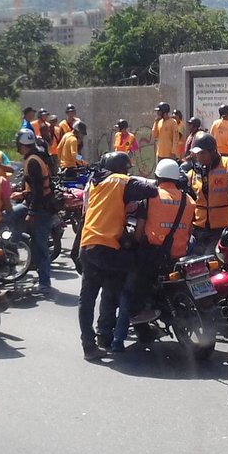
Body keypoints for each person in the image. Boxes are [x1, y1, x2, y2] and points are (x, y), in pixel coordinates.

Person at [77, 151, 158, 360]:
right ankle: (139, 316)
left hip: (87, 245)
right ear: (122, 169)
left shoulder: (95, 183)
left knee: (88, 298)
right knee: (137, 270)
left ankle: (90, 344)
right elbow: (150, 190)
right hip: (106, 248)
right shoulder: (120, 181)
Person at [111, 158, 194, 352]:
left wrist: (134, 243)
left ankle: (117, 340)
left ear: (157, 176)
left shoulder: (150, 197)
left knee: (127, 291)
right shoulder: (188, 199)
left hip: (153, 256)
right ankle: (145, 330)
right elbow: (190, 230)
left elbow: (139, 232)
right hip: (179, 255)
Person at [12, 129, 56, 294]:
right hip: (37, 205)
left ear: (21, 145)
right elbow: (34, 187)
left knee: (40, 247)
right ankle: (13, 251)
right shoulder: (36, 158)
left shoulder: (33, 162)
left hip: (40, 209)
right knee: (9, 217)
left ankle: (45, 283)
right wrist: (21, 192)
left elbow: (38, 191)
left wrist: (31, 212)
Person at [186, 131, 228, 253]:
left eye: (203, 153)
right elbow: (188, 200)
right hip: (198, 229)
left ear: (213, 151)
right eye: (197, 154)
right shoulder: (192, 173)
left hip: (221, 230)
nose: (199, 157)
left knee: (212, 263)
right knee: (193, 265)